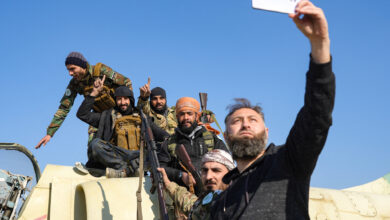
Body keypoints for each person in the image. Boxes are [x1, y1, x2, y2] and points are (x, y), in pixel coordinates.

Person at [211, 1, 335, 219]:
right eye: (237, 121)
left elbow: (317, 116)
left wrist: (320, 46)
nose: (246, 124)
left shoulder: (289, 161)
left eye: (252, 119)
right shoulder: (221, 202)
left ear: (266, 131)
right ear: (225, 136)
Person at [35, 52, 133, 149]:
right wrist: (50, 134)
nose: (70, 73)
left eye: (73, 69)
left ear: (82, 65)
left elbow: (126, 82)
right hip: (99, 116)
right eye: (68, 70)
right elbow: (64, 108)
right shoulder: (74, 84)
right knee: (93, 147)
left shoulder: (100, 71)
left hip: (119, 113)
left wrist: (126, 110)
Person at [76, 76, 168, 177]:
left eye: (125, 99)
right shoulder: (108, 116)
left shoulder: (143, 118)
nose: (123, 102)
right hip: (118, 155)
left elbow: (164, 136)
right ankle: (125, 169)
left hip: (139, 156)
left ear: (131, 100)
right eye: (119, 99)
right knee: (95, 144)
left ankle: (128, 170)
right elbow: (82, 114)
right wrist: (94, 93)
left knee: (160, 147)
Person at [158, 97, 229, 189]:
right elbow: (160, 167)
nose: (186, 117)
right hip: (181, 197)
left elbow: (227, 163)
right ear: (177, 117)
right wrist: (181, 175)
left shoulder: (211, 138)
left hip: (211, 192)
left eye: (189, 114)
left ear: (197, 116)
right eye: (182, 114)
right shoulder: (170, 143)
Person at [158, 149, 235, 220]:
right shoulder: (211, 197)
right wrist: (169, 184)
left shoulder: (237, 203)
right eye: (204, 170)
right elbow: (193, 207)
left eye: (216, 170)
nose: (208, 176)